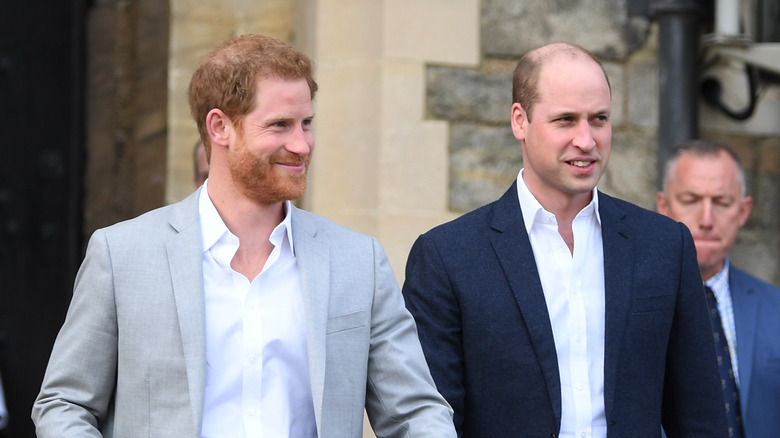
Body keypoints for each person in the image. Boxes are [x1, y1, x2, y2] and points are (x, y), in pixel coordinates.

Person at [32, 34, 455, 438]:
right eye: (279, 125)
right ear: (219, 127)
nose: (302, 144)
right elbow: (65, 404)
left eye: (306, 123)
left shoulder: (357, 260)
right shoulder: (122, 254)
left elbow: (415, 411)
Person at [402, 42, 728, 437]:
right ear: (520, 121)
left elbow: (700, 417)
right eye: (566, 120)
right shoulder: (448, 256)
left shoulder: (664, 245)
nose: (587, 140)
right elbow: (431, 418)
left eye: (599, 119)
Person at [657, 139, 780, 438]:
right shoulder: (631, 305)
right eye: (691, 200)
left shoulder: (775, 307)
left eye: (722, 202)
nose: (707, 219)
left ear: (743, 210)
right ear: (663, 206)